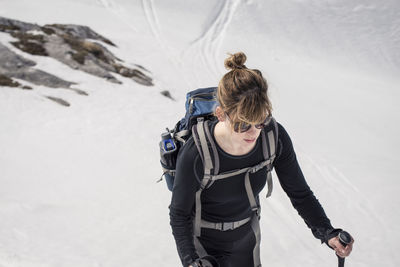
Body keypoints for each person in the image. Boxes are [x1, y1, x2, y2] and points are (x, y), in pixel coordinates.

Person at [169, 52, 354, 267]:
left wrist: (327, 232)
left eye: (261, 121)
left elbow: (299, 193)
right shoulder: (198, 151)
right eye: (242, 124)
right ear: (221, 114)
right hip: (203, 245)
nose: (253, 133)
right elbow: (179, 214)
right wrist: (191, 261)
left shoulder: (273, 136)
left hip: (247, 240)